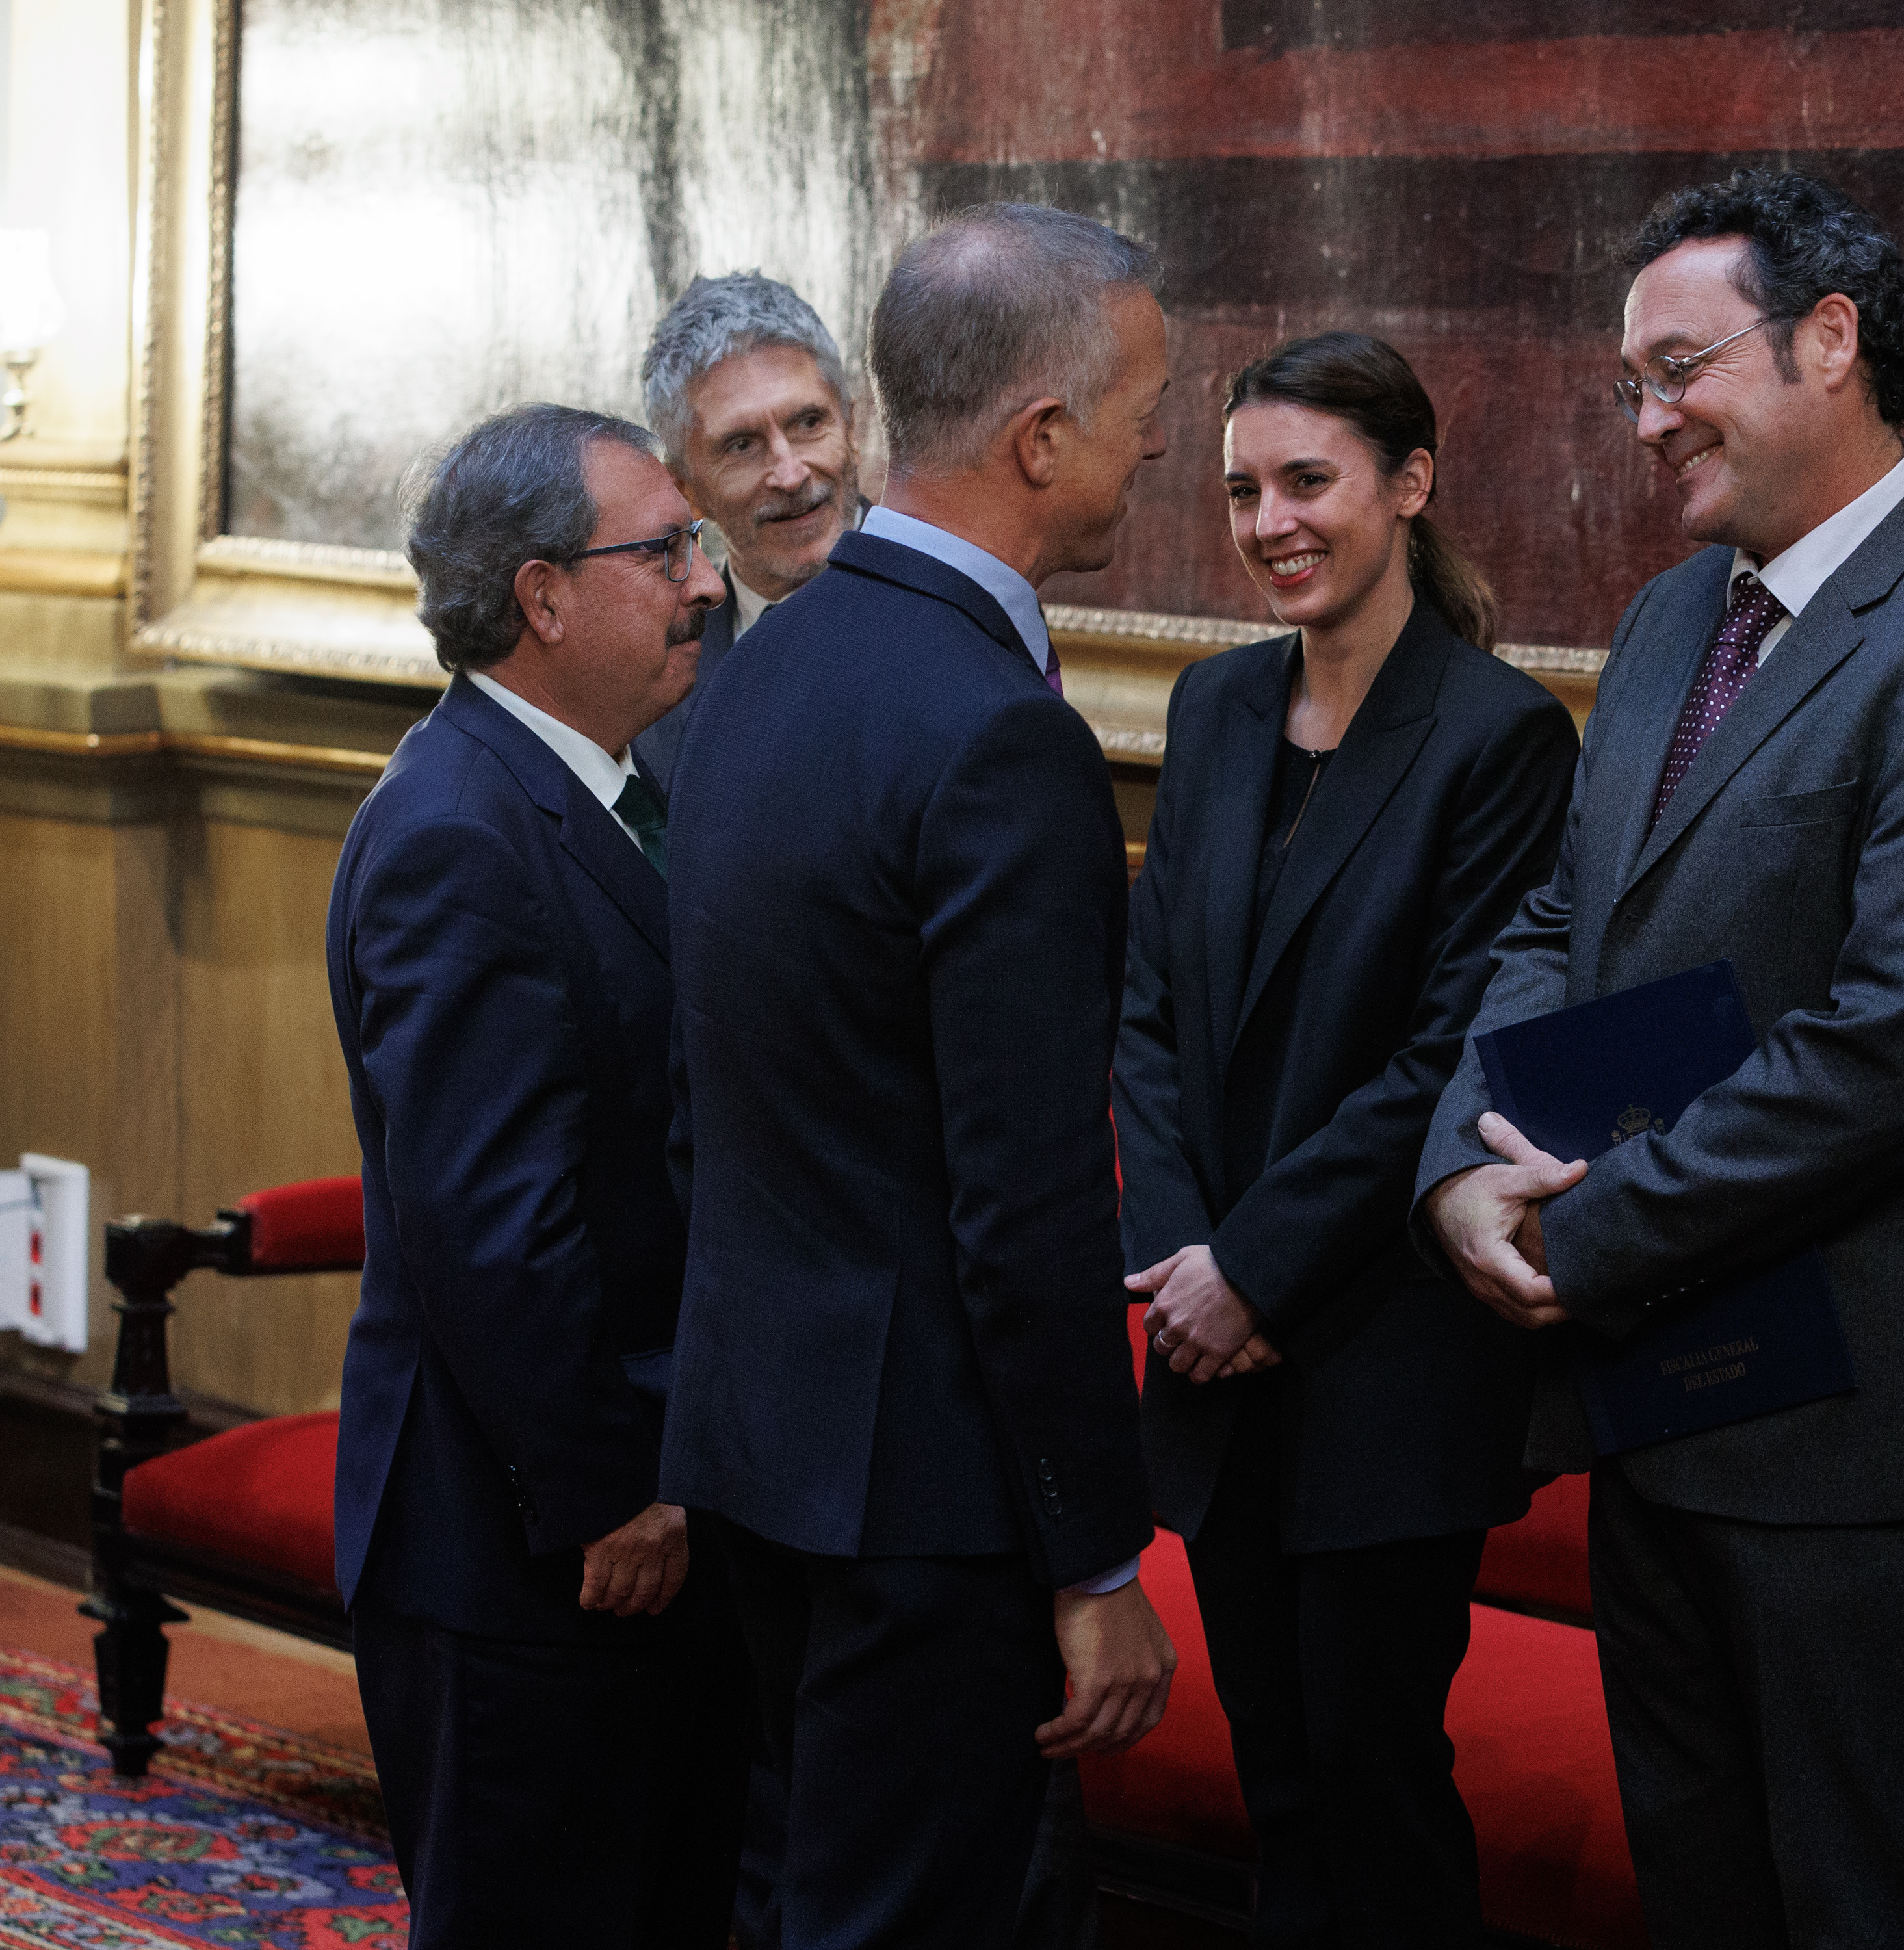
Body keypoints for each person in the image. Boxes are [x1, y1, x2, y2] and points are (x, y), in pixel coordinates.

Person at [1416, 167, 1904, 1948]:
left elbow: (1886, 1049)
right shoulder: (1671, 623)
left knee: (1867, 1904)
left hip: (1858, 1431)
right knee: (1701, 1895)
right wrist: (1460, 1165)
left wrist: (1582, 1236)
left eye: (1676, 370)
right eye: (1628, 385)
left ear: (1827, 341)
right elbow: (1549, 931)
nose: (1646, 423)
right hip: (1660, 1403)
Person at [659, 202, 1179, 1949]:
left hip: (757, 1445)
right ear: (1040, 437)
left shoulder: (757, 671)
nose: (1150, 456)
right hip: (928, 1500)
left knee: (800, 1904)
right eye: (1138, 425)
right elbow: (1023, 1205)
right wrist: (1093, 1561)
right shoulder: (995, 731)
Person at [1114, 330, 1578, 1947]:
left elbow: (1443, 1057)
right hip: (1212, 1347)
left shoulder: (1497, 735)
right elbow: (1149, 1008)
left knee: (1370, 1774)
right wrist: (1184, 1265)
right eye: (1242, 488)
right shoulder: (1214, 702)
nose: (1267, 521)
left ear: (1408, 484)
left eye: (1306, 481)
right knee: (1279, 1781)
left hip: (1380, 1351)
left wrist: (1253, 1265)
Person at [324, 403, 742, 1947]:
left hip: (611, 1522)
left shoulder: (615, 790)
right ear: (544, 595)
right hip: (520, 1550)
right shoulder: (459, 829)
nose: (703, 579)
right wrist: (609, 1489)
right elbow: (491, 1223)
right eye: (665, 547)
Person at [631, 270, 861, 789]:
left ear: (851, 424)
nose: (790, 474)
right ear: (684, 488)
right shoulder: (656, 679)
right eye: (741, 445)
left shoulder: (955, 610)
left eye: (808, 423)